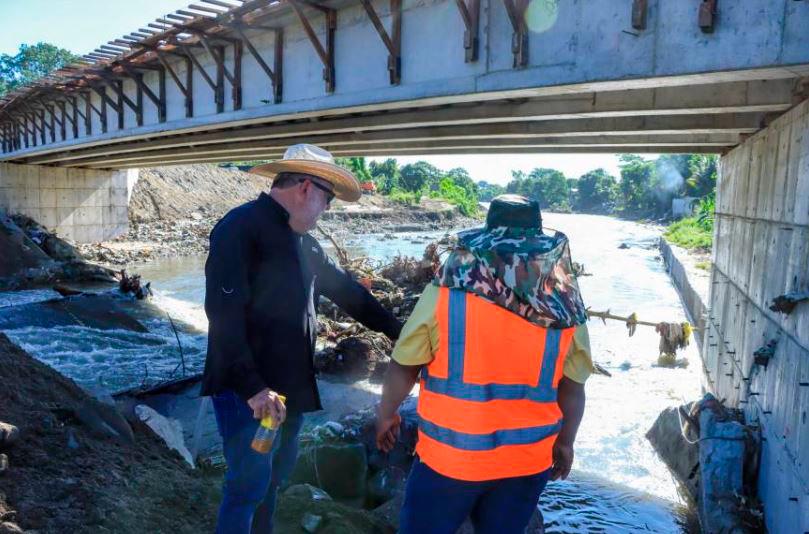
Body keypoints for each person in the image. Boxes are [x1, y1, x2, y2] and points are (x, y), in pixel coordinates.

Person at [201, 144, 402, 534]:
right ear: (306, 188)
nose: (326, 209)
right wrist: (254, 388)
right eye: (328, 199)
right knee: (247, 488)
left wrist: (401, 332)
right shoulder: (240, 229)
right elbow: (223, 318)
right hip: (249, 395)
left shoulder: (305, 244)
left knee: (274, 479)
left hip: (288, 393)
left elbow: (350, 294)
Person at [375, 194, 593, 534]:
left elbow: (404, 364)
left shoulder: (447, 290)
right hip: (526, 464)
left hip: (449, 461)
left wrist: (387, 413)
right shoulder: (565, 304)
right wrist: (565, 442)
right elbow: (573, 388)